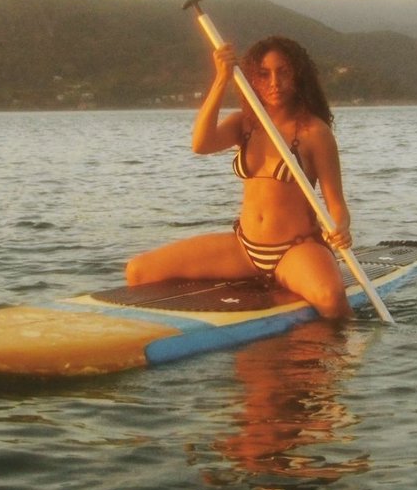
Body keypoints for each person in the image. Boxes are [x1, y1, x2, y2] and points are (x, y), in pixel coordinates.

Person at [126, 36, 353, 319]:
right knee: (138, 271)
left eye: (283, 72)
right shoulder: (244, 124)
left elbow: (336, 205)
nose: (274, 82)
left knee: (331, 299)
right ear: (253, 80)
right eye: (264, 74)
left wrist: (340, 227)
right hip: (244, 248)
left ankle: (343, 350)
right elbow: (201, 144)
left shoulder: (314, 133)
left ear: (298, 76)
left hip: (295, 249)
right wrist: (221, 79)